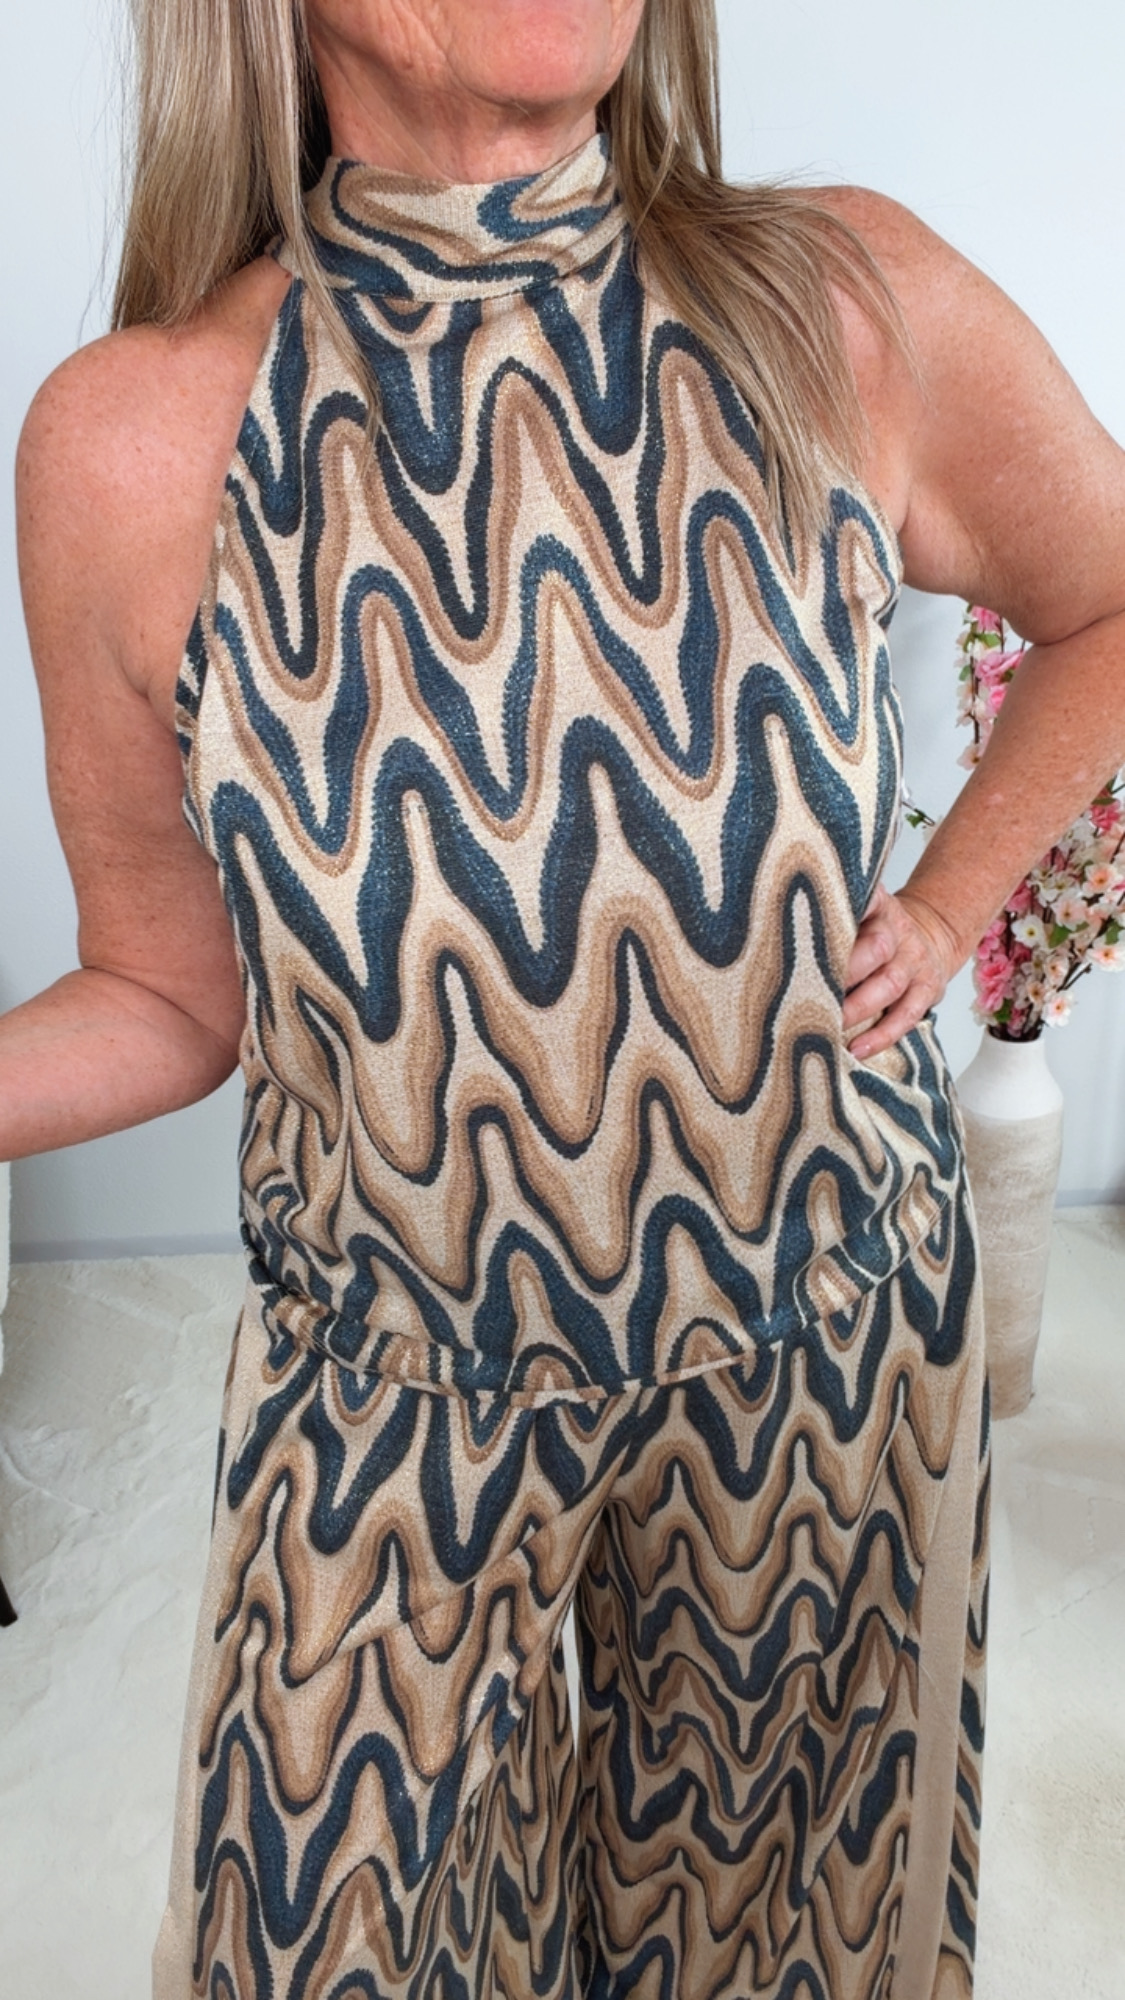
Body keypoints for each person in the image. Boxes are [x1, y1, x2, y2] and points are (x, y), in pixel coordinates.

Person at [6, 0, 1125, 1993]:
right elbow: (165, 995)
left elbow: (1106, 595)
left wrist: (951, 897)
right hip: (391, 1403)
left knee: (779, 1956)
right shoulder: (137, 440)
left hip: (822, 1367)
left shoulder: (838, 302)